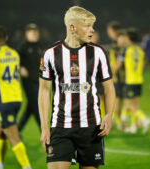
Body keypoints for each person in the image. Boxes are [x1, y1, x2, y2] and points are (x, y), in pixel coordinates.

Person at [38, 6, 115, 169]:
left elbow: (109, 88)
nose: (92, 30)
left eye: (92, 26)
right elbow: (44, 90)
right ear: (72, 27)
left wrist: (109, 114)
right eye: (87, 26)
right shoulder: (50, 54)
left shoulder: (99, 53)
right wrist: (45, 127)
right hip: (60, 127)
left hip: (91, 128)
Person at [0, 26, 32, 169]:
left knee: (13, 136)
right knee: (0, 130)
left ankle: (27, 166)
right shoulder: (15, 53)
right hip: (17, 98)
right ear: (6, 39)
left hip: (5, 101)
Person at [114, 28, 150, 134]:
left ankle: (145, 120)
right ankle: (134, 126)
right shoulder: (140, 50)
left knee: (129, 105)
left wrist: (112, 74)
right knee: (135, 105)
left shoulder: (126, 50)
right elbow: (144, 65)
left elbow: (118, 65)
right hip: (139, 80)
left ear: (128, 37)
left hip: (130, 81)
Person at [18, 23, 42, 133]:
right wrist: (20, 68)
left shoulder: (41, 46)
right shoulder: (22, 48)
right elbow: (15, 62)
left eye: (36, 32)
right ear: (27, 33)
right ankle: (45, 133)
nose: (34, 34)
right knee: (37, 106)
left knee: (31, 108)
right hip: (28, 82)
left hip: (40, 82)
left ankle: (17, 130)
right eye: (32, 32)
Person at [106, 21, 125, 130]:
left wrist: (111, 74)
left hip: (118, 77)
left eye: (109, 31)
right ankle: (118, 121)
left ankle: (119, 122)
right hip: (120, 77)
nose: (108, 33)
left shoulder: (117, 44)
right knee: (118, 100)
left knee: (117, 100)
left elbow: (118, 62)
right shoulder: (119, 43)